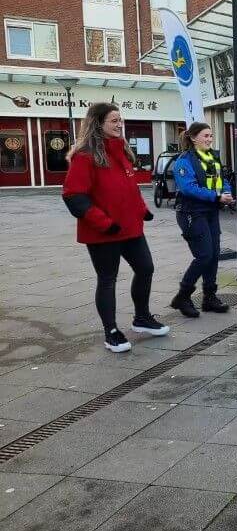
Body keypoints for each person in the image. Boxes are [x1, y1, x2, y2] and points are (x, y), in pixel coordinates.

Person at [62, 103, 169, 353]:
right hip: (103, 231)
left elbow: (130, 188)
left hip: (130, 228)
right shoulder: (85, 156)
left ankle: (141, 318)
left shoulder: (121, 150)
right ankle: (111, 332)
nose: (119, 124)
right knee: (108, 279)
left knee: (146, 268)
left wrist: (142, 210)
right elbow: (74, 196)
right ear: (98, 123)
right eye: (113, 120)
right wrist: (104, 223)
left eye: (121, 120)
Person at [170, 122, 234, 318]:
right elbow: (189, 188)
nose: (209, 139)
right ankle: (183, 295)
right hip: (191, 213)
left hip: (210, 212)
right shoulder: (184, 161)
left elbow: (222, 180)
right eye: (205, 136)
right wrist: (216, 197)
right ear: (193, 138)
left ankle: (209, 297)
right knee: (204, 255)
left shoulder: (211, 158)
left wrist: (226, 193)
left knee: (214, 255)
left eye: (211, 136)